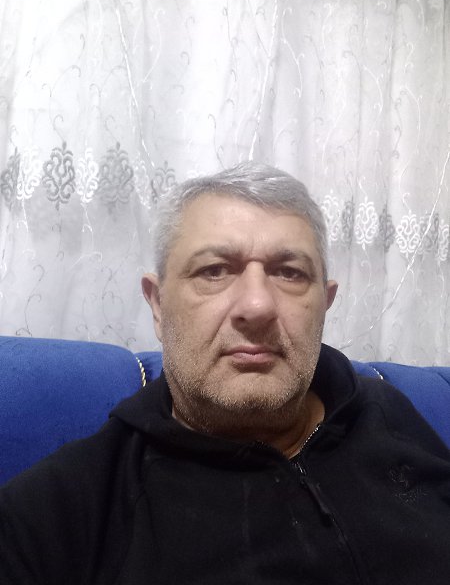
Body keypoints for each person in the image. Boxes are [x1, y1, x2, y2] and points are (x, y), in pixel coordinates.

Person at [1, 162, 449, 584]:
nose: (257, 305)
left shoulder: (385, 411)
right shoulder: (58, 514)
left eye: (289, 273)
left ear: (324, 304)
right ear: (158, 304)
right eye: (214, 271)